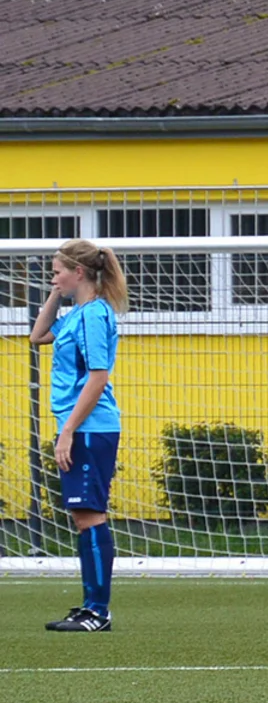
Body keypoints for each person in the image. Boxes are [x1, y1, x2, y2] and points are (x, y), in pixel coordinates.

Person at [29, 240, 128, 633]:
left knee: (90, 515)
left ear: (79, 272)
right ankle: (90, 606)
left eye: (57, 272)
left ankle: (98, 611)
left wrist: (67, 431)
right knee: (83, 515)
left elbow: (98, 376)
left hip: (89, 428)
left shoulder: (92, 317)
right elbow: (38, 336)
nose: (53, 279)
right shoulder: (77, 314)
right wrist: (56, 293)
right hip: (81, 427)